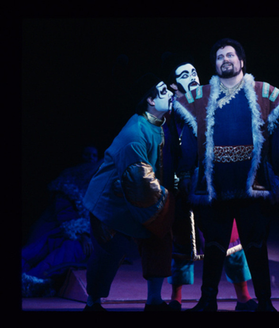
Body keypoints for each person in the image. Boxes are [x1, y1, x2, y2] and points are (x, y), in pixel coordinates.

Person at [174, 38, 279, 312]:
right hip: (215, 186)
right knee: (215, 246)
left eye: (230, 55)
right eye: (219, 57)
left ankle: (265, 303)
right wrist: (185, 174)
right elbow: (189, 139)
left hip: (253, 187)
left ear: (242, 62)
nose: (225, 60)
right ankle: (208, 300)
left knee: (255, 246)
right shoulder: (200, 96)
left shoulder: (262, 91)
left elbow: (278, 135)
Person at [162, 52, 256, 311]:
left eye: (193, 72)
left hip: (214, 186)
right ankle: (176, 299)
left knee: (231, 243)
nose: (192, 78)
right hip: (182, 189)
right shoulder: (168, 115)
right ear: (173, 86)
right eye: (184, 75)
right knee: (181, 244)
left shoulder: (211, 101)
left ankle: (244, 297)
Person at [82, 73, 176, 311]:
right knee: (109, 254)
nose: (171, 94)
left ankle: (154, 300)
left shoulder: (161, 125)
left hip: (142, 197)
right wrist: (168, 205)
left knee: (159, 241)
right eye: (164, 91)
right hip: (112, 205)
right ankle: (92, 303)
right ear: (151, 101)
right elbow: (139, 183)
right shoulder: (135, 134)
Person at [21, 146, 102, 297]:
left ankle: (35, 280)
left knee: (71, 249)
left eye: (94, 155)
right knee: (37, 251)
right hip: (56, 228)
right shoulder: (68, 180)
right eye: (87, 154)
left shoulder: (95, 182)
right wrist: (83, 235)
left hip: (78, 235)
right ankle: (32, 281)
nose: (90, 158)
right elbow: (64, 214)